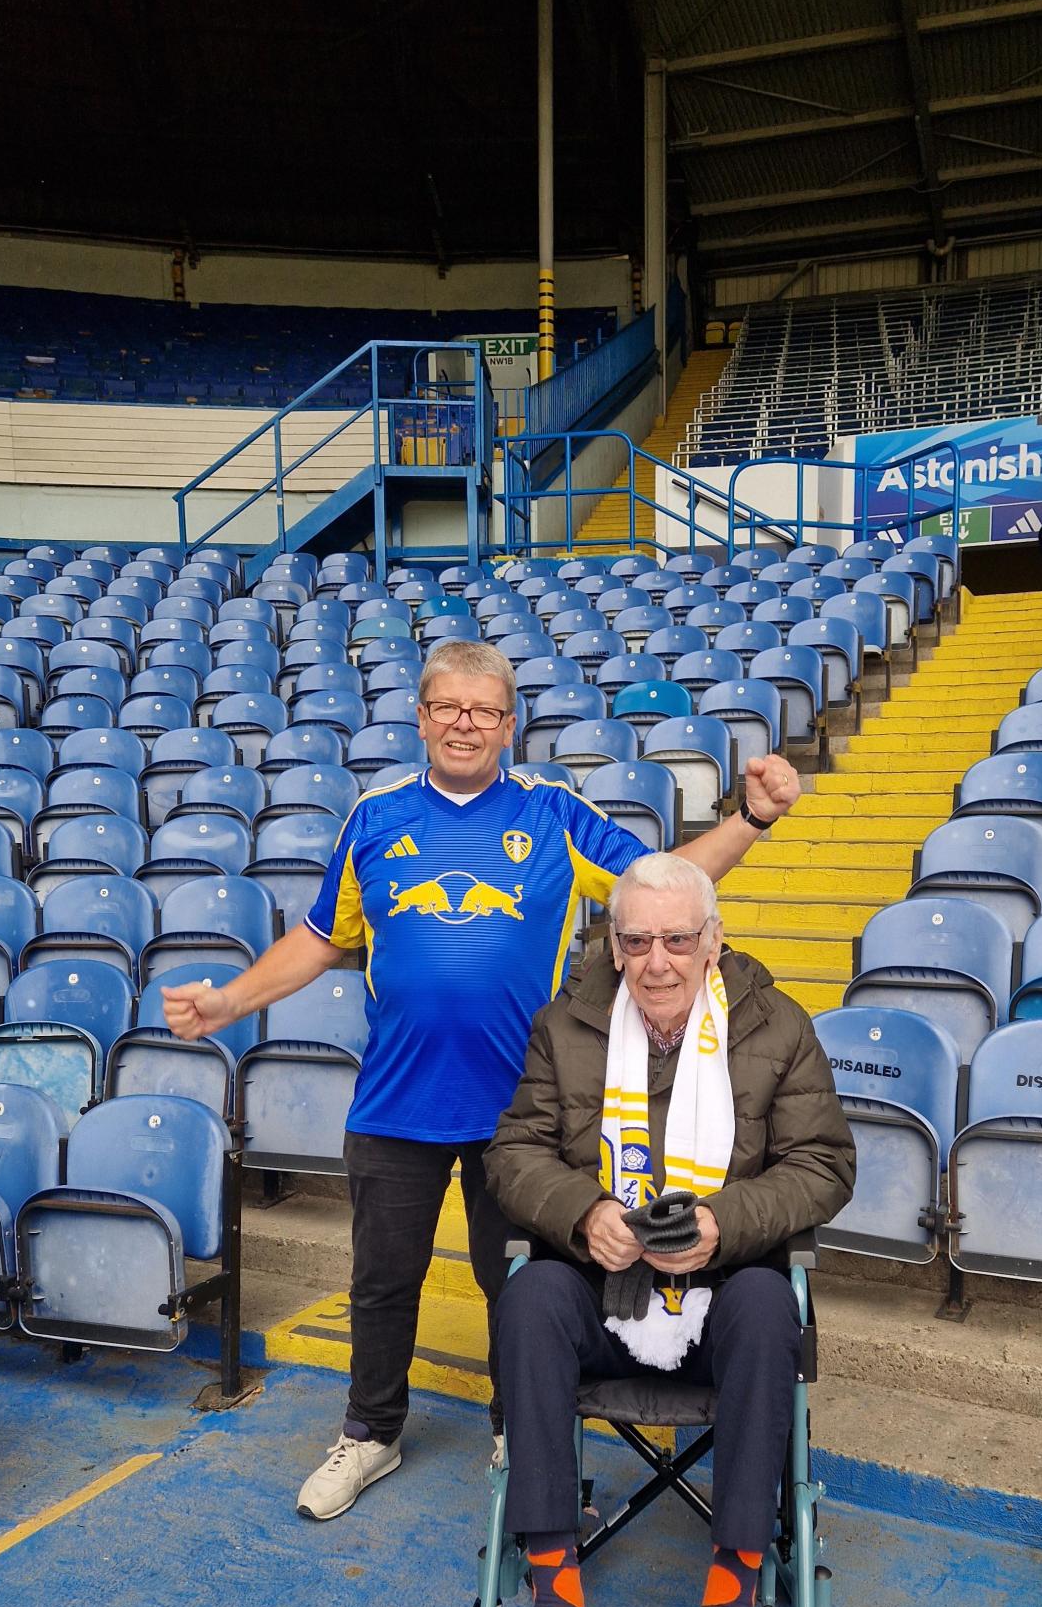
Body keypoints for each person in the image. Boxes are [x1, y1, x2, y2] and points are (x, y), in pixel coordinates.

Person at [161, 639, 803, 1521]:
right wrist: (229, 1001)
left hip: (522, 1115)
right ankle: (371, 1431)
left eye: (484, 711)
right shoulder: (375, 816)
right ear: (421, 718)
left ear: (510, 724)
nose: (465, 724)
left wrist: (753, 818)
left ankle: (519, 1428)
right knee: (382, 1283)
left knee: (519, 1286)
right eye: (447, 708)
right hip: (396, 1101)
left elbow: (668, 887)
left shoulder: (550, 813)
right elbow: (318, 937)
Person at [454, 852, 855, 1607]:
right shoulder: (567, 1026)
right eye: (635, 941)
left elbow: (824, 1166)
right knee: (527, 1297)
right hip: (606, 1292)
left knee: (765, 1303)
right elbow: (512, 1153)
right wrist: (581, 1211)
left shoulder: (777, 1027)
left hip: (719, 1300)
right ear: (612, 943)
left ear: (712, 942)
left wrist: (726, 1222)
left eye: (678, 939)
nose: (657, 961)